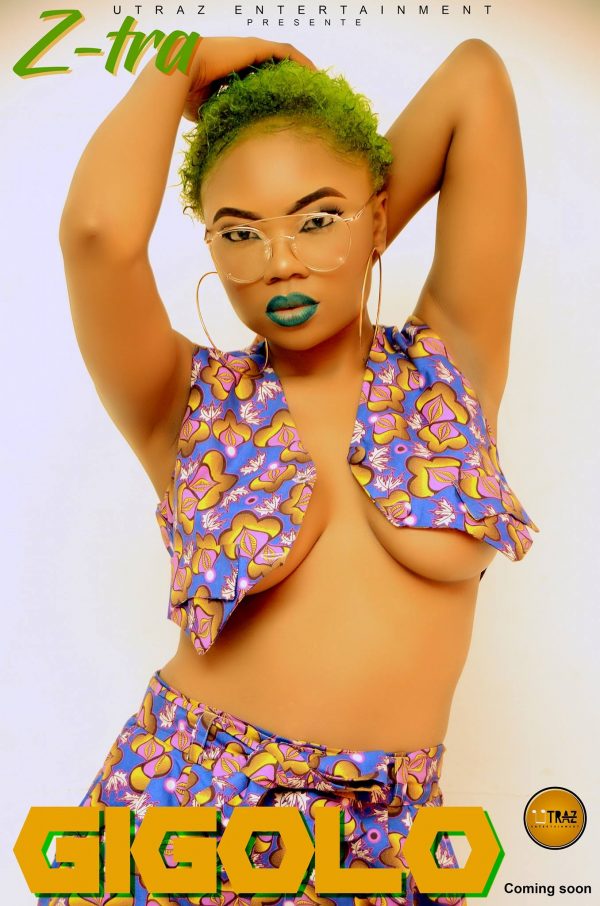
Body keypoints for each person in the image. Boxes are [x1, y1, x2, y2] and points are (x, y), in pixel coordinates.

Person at [38, 35, 539, 906]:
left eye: (316, 219)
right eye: (240, 234)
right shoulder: (183, 403)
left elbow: (475, 81)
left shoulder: (448, 364)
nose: (279, 264)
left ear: (379, 217)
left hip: (391, 838)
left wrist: (335, 188)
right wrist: (187, 64)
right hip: (190, 812)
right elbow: (96, 235)